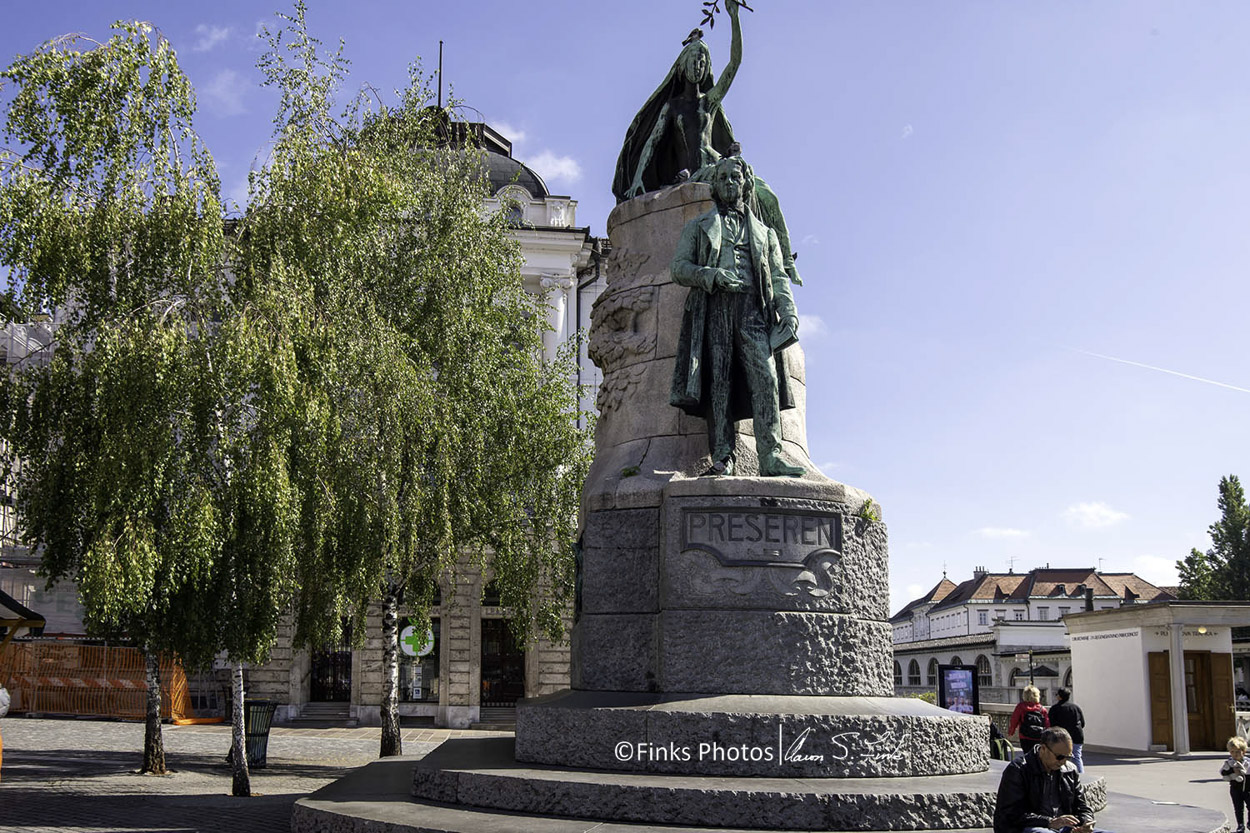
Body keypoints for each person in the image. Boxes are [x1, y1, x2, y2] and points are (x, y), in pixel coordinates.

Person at [612, 0, 802, 286]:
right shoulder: (672, 107)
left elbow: (735, 64)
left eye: (702, 61)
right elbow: (651, 144)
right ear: (682, 66)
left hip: (716, 166)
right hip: (697, 173)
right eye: (693, 61)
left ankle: (783, 261)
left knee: (767, 194)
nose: (698, 66)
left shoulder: (709, 103)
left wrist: (733, 17)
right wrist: (638, 178)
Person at [669, 155, 803, 478]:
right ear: (715, 185)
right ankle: (723, 455)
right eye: (724, 177)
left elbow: (779, 276)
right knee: (719, 381)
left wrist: (789, 311)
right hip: (716, 307)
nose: (730, 182)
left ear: (745, 184)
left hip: (752, 310)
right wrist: (710, 275)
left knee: (766, 378)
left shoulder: (765, 234)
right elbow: (678, 268)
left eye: (735, 177)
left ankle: (770, 456)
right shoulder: (698, 227)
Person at [993, 727, 1112, 833]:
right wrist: (1050, 822)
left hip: (1065, 828)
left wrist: (1086, 821)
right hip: (1028, 827)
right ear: (1043, 748)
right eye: (1060, 757)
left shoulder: (1069, 770)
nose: (1064, 761)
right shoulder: (1019, 769)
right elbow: (1011, 813)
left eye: (1068, 757)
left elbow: (1081, 805)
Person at [1048, 688, 1086, 773]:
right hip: (1077, 735)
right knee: (1077, 756)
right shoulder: (1076, 707)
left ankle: (1064, 775)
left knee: (1061, 757)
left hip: (1062, 738)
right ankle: (1081, 775)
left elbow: (1052, 725)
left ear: (1060, 697)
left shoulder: (1055, 709)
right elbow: (1082, 723)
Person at [1008, 685, 1050, 756]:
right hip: (1038, 736)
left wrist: (1011, 732)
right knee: (1038, 755)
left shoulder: (1021, 707)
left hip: (1025, 736)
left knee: (1027, 755)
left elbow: (1014, 720)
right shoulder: (1042, 709)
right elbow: (1047, 724)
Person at [1221, 736, 1249, 833]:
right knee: (1238, 808)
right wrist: (1230, 770)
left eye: (1237, 752)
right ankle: (1240, 825)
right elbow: (1223, 772)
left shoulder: (1248, 763)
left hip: (1248, 788)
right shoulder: (1229, 763)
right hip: (1235, 788)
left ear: (1243, 752)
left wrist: (1242, 771)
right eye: (1232, 752)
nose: (1234, 754)